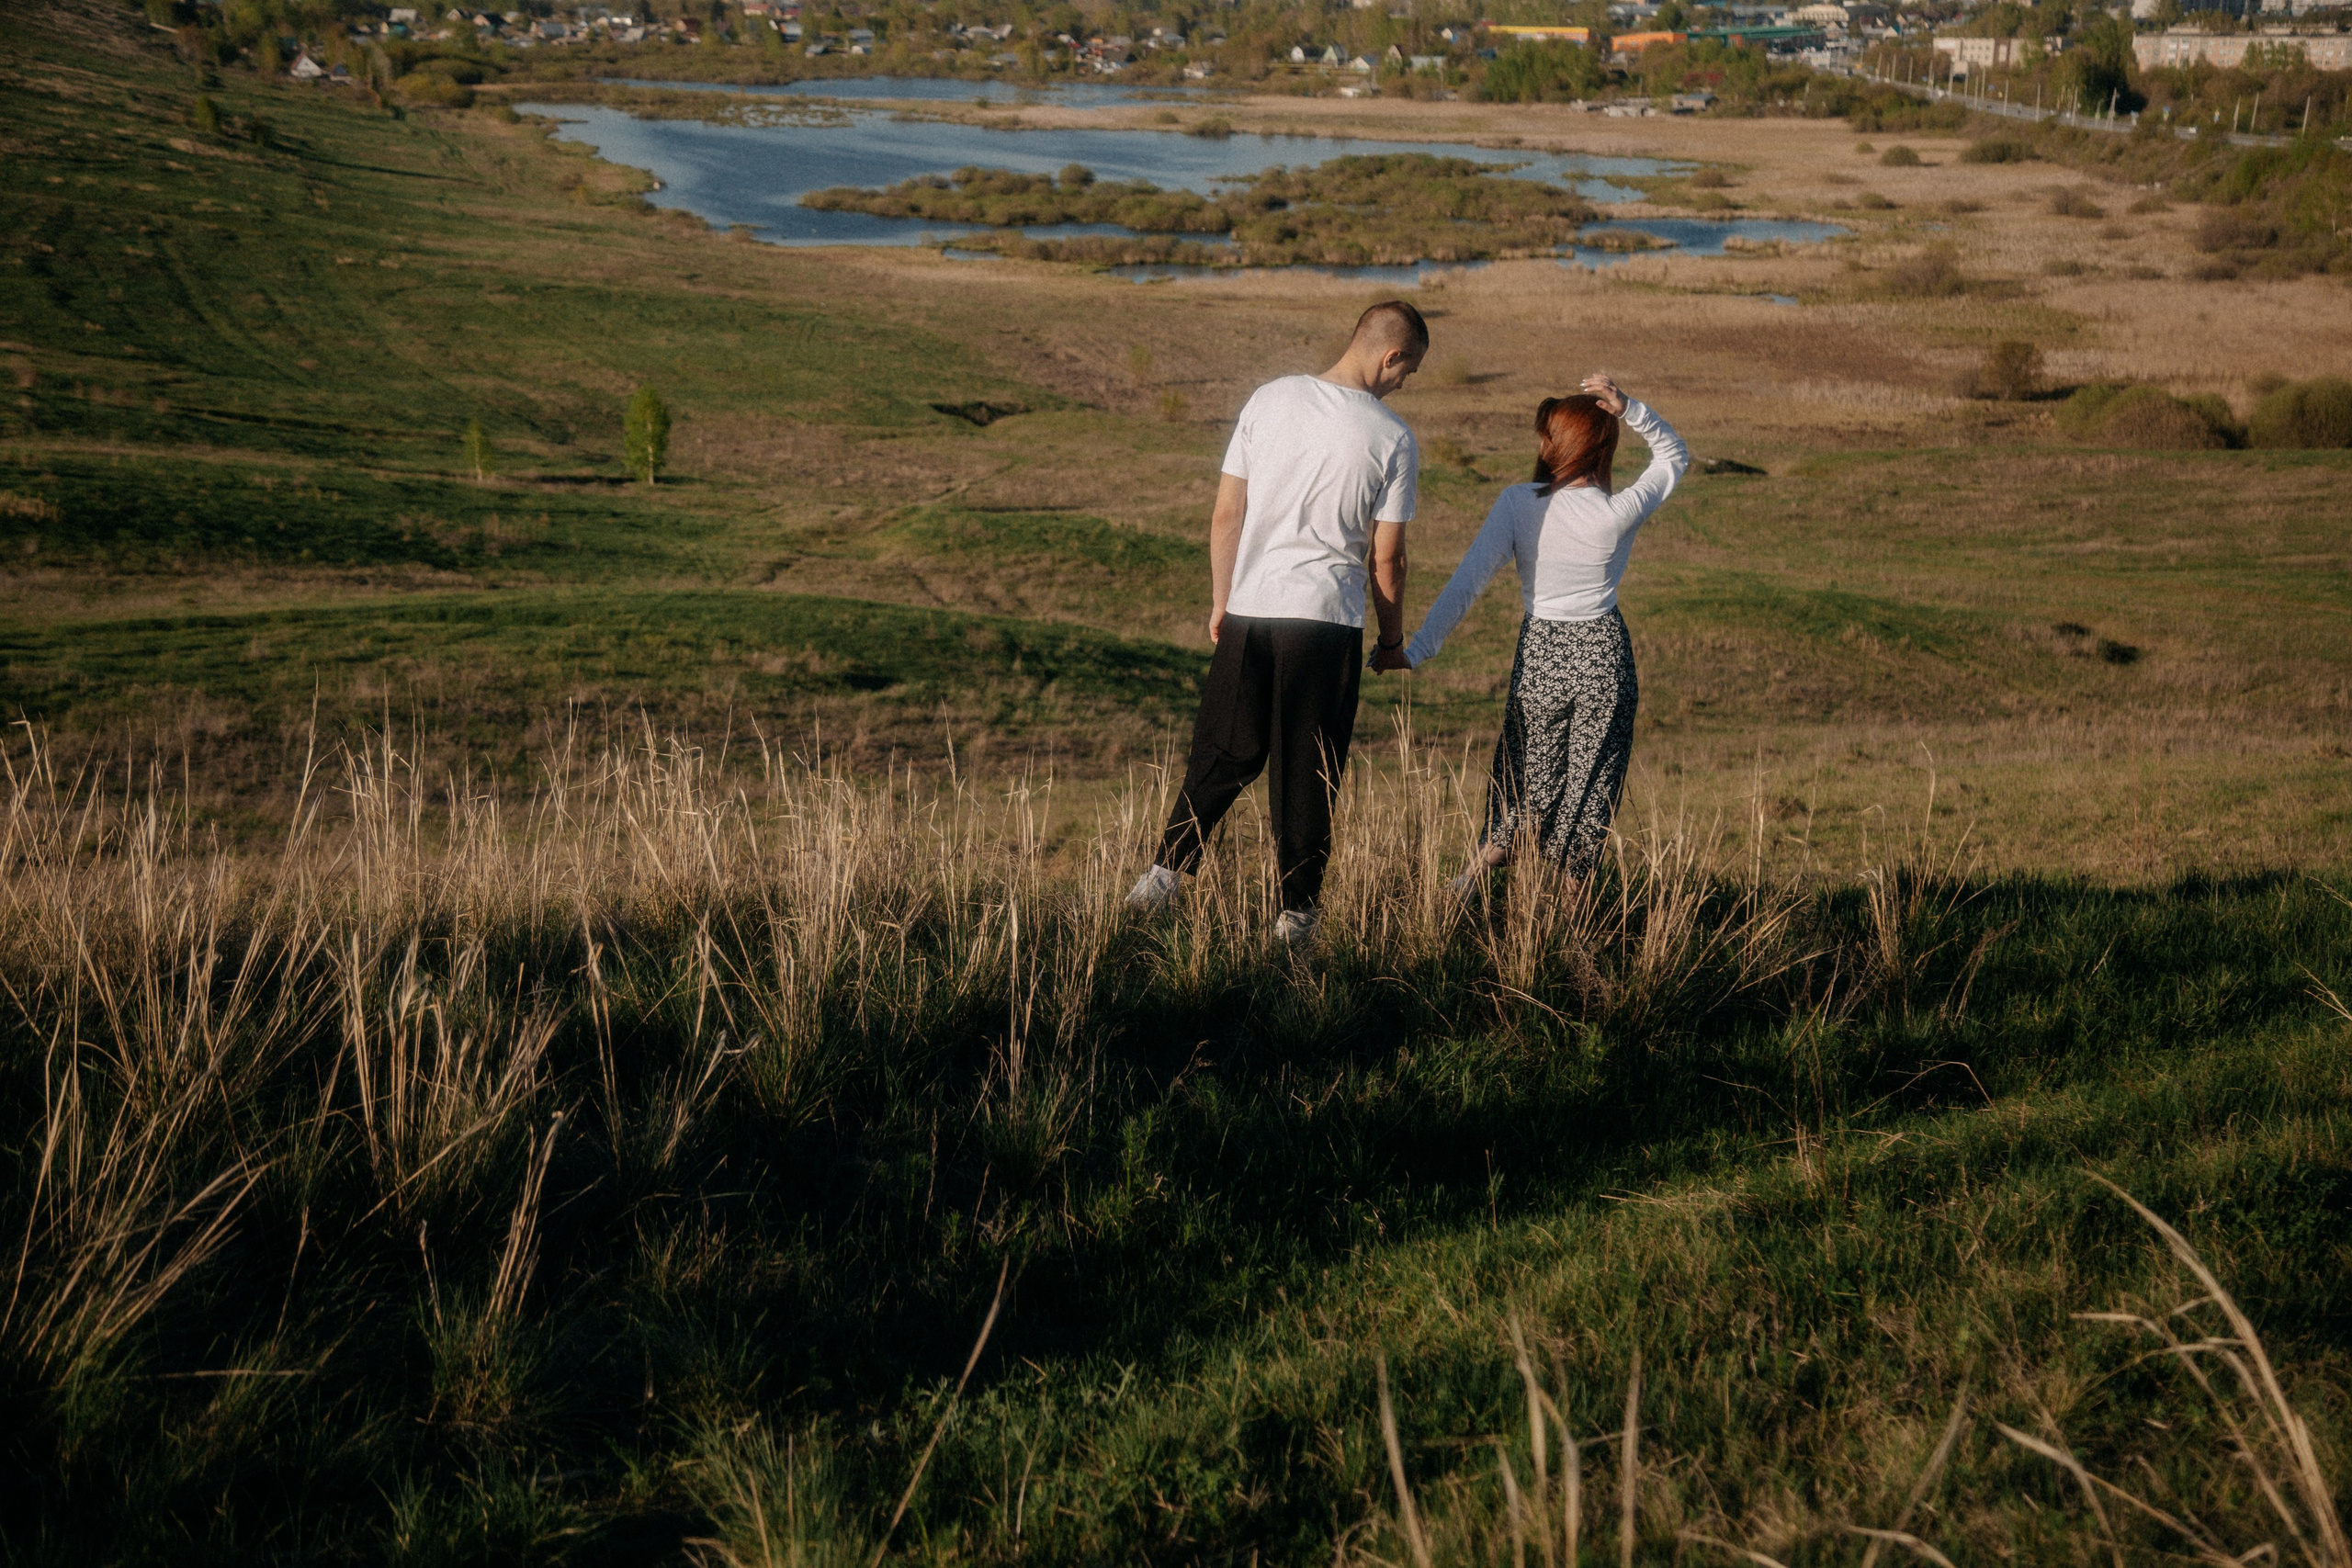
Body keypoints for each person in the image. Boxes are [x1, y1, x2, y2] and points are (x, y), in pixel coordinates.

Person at [1124, 300, 1428, 946]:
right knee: (1308, 770)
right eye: (1409, 371)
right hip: (1326, 624)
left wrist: (1221, 599)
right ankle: (1295, 920)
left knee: (1222, 749)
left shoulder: (1268, 399)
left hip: (1251, 611)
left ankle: (1160, 881)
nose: (1404, 384)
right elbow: (1388, 556)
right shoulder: (1394, 438)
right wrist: (1393, 639)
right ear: (1390, 356)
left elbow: (1226, 514)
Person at [1373, 374, 1686, 897]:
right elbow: (1673, 455)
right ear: (1602, 446)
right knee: (1589, 790)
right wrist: (1630, 408)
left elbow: (1469, 580)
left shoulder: (1518, 503)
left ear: (1555, 445)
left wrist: (1417, 647)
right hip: (1604, 657)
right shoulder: (1617, 511)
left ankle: (1471, 880)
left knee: (1524, 777)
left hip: (1542, 654)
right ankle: (1559, 928)